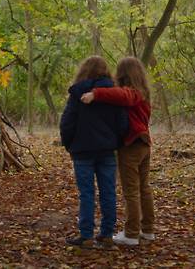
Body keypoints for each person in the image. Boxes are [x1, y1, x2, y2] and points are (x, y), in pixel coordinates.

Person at [80, 56, 155, 246]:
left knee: (132, 190)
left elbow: (123, 96)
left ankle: (131, 234)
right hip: (144, 143)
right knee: (143, 188)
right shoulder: (143, 92)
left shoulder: (133, 93)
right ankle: (147, 230)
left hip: (133, 145)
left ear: (123, 74)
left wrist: (96, 93)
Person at [60, 56, 128, 249]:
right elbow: (122, 123)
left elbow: (67, 122)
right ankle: (106, 234)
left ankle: (86, 235)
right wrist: (116, 142)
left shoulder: (77, 93)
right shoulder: (114, 94)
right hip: (107, 151)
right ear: (105, 71)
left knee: (86, 193)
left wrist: (69, 144)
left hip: (82, 151)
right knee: (108, 192)